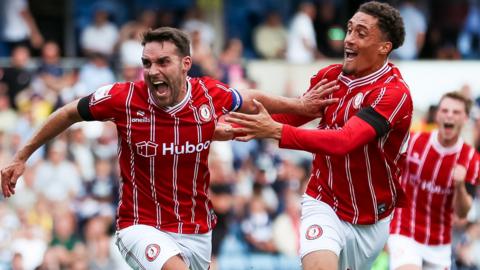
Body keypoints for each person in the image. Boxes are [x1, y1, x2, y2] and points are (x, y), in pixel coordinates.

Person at [0, 27, 336, 270]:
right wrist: (21, 156)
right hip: (140, 226)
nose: (152, 71)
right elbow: (69, 112)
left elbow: (250, 100)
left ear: (185, 64)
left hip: (196, 231)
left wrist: (301, 105)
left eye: (162, 62)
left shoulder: (208, 94)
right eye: (147, 63)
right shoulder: (123, 98)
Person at [225, 2, 411, 269]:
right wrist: (232, 128)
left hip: (372, 220)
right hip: (324, 202)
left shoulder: (393, 94)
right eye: (349, 30)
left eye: (361, 33)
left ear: (384, 47)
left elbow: (345, 140)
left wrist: (276, 131)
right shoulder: (330, 77)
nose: (349, 39)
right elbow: (293, 116)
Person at [388, 92, 479, 270]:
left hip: (439, 243)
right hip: (405, 232)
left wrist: (459, 186)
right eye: (445, 110)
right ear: (438, 115)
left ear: (465, 118)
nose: (449, 115)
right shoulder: (413, 141)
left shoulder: (471, 159)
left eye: (456, 112)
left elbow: (462, 213)